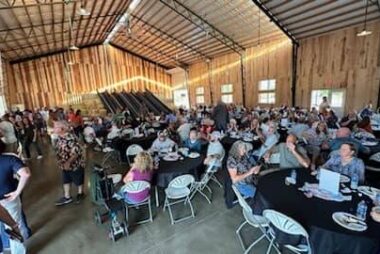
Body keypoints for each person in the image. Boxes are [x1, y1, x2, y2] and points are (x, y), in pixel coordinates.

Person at [0, 140, 31, 254]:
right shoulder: (10, 158)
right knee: (14, 228)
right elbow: (26, 174)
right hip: (8, 199)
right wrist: (17, 192)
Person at [54, 121, 86, 206]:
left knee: (78, 179)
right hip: (64, 163)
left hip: (75, 164)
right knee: (66, 179)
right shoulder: (60, 137)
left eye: (56, 127)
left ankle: (80, 193)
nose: (54, 128)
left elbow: (76, 152)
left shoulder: (70, 138)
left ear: (62, 129)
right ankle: (67, 196)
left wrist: (68, 162)